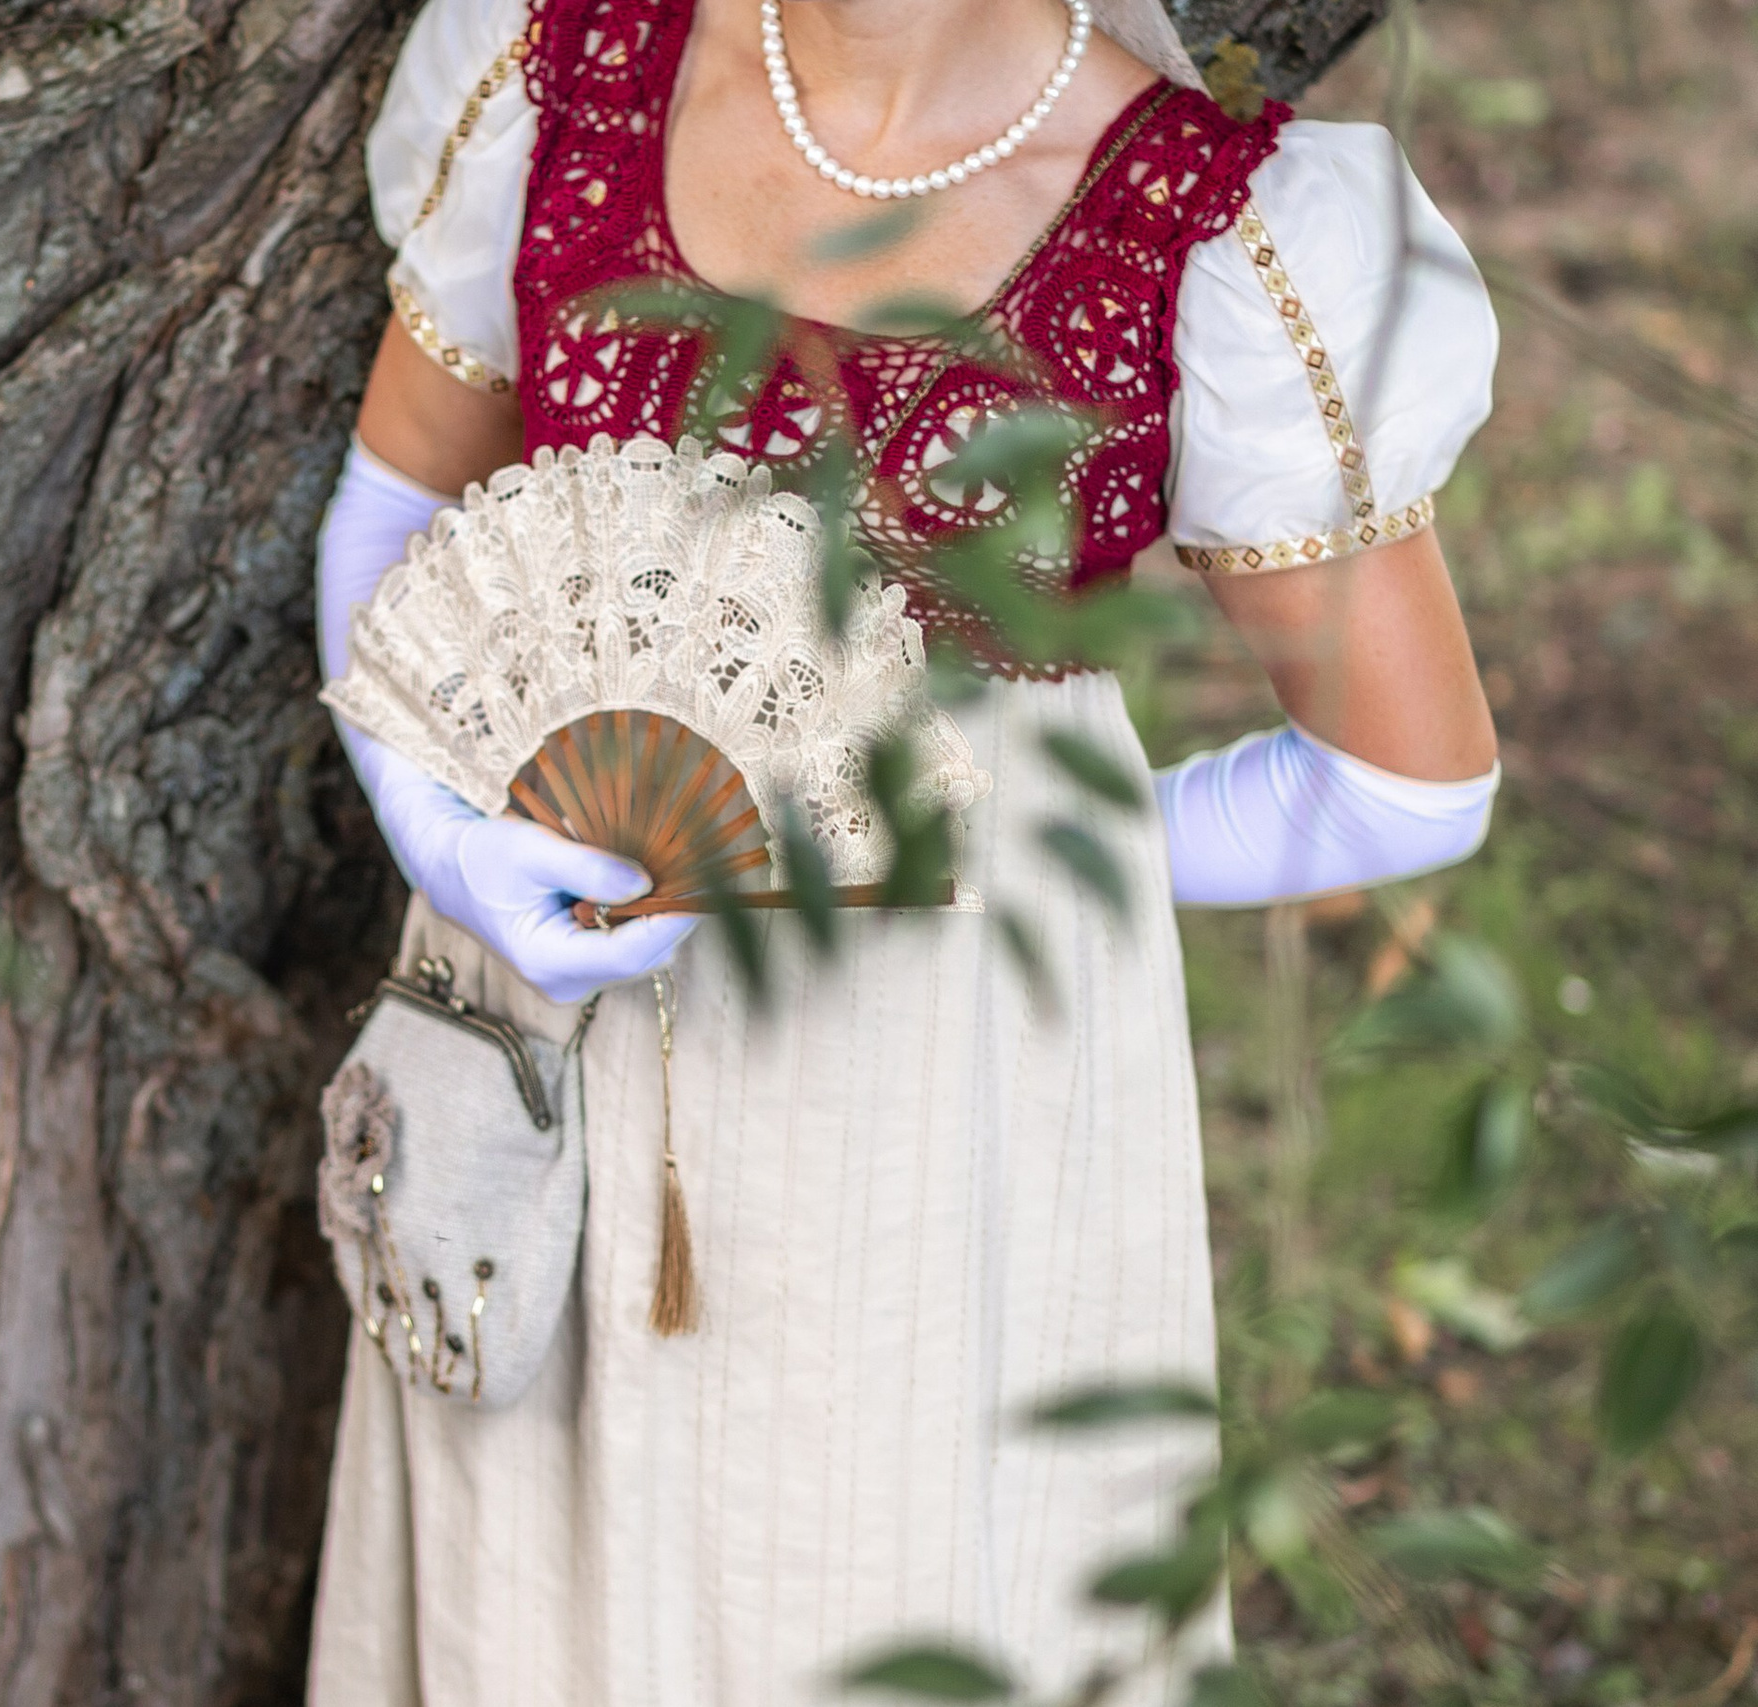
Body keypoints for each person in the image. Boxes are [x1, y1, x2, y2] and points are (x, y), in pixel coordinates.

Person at [309, 0, 1501, 1699]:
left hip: (921, 1103)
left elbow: (1403, 787)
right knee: (527, 1583)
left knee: (863, 1589)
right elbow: (396, 515)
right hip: (541, 1009)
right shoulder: (564, 58)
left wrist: (1025, 859)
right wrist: (435, 836)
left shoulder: (1205, 224)